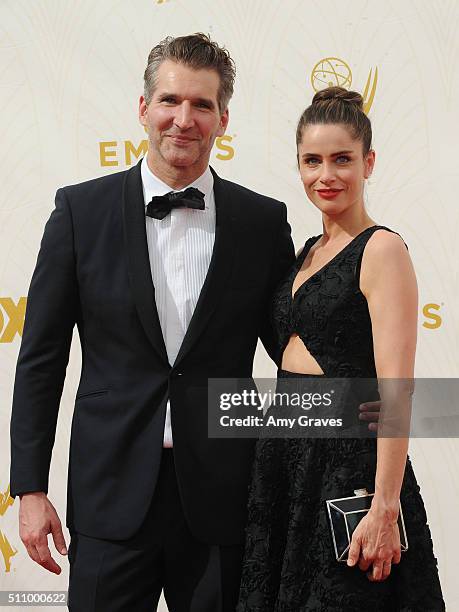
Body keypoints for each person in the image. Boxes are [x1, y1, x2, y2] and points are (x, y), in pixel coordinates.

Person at [9, 33, 296, 611]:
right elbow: (41, 360)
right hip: (109, 497)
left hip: (222, 498)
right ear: (143, 108)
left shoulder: (263, 223)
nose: (183, 119)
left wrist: (372, 413)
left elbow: (293, 351)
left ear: (223, 119)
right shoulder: (79, 213)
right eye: (169, 101)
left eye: (201, 105)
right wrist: (30, 489)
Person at [237, 87, 445, 611]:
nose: (325, 174)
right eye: (312, 160)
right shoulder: (306, 253)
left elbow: (396, 391)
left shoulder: (382, 249)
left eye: (342, 159)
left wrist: (384, 507)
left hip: (349, 470)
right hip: (285, 462)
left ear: (368, 162)